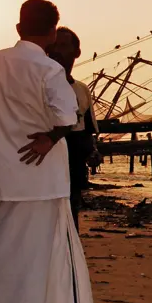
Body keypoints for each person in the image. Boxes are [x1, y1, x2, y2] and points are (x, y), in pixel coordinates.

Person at [0, 0, 97, 303]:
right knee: (30, 262)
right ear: (53, 32)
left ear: (19, 28)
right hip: (41, 179)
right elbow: (68, 115)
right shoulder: (49, 69)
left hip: (6, 175)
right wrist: (50, 139)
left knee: (7, 255)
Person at [47, 26, 99, 231]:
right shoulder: (42, 84)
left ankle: (70, 256)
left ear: (76, 52)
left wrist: (93, 151)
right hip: (46, 160)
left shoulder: (81, 89)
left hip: (73, 164)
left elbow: (87, 128)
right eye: (53, 46)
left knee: (70, 210)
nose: (56, 51)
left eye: (63, 46)